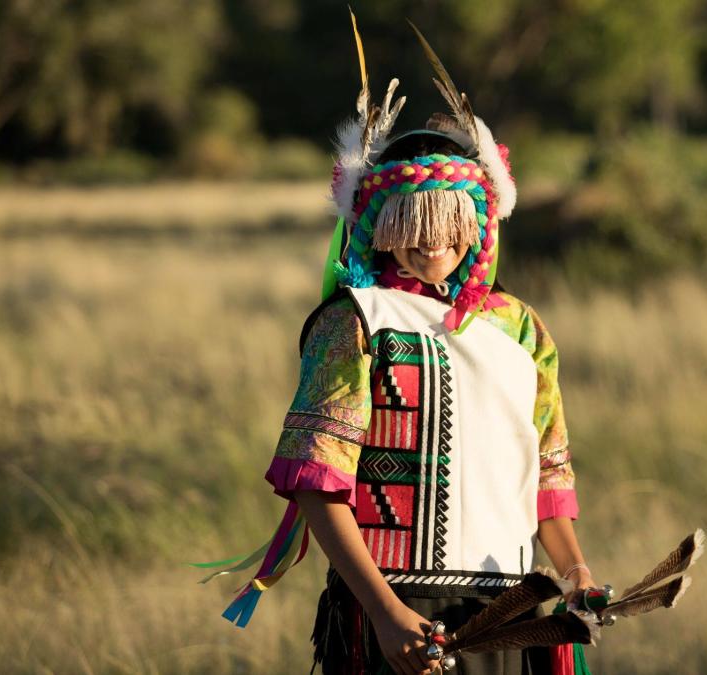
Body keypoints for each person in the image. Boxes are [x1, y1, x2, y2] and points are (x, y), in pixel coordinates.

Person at [200, 21, 596, 675]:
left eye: (451, 224)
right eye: (411, 222)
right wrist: (383, 610)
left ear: (479, 224)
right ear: (378, 225)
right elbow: (318, 483)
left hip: (507, 608)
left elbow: (548, 477)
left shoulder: (521, 329)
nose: (433, 243)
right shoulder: (355, 322)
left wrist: (575, 571)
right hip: (391, 610)